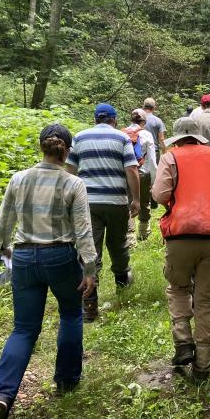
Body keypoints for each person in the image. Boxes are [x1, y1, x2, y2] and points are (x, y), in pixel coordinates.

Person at [0, 123, 97, 419]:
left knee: (23, 329)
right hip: (60, 256)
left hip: (23, 257)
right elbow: (83, 231)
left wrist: (2, 247)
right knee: (70, 314)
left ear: (41, 147)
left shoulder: (19, 179)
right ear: (67, 150)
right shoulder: (73, 183)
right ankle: (67, 380)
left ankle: (0, 396)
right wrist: (90, 269)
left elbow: (3, 219)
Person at [152, 117, 210, 383]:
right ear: (199, 136)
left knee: (179, 288)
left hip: (181, 236)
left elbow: (159, 196)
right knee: (206, 300)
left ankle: (183, 342)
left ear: (177, 138)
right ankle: (203, 366)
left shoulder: (170, 158)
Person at [66, 103, 140, 322]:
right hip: (116, 201)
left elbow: (70, 170)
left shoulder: (79, 137)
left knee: (89, 248)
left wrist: (71, 199)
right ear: (114, 120)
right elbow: (131, 169)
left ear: (95, 119)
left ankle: (89, 305)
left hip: (87, 202)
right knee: (118, 244)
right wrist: (136, 199)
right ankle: (122, 285)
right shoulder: (122, 138)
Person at [124, 108, 157, 242]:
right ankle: (144, 232)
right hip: (143, 173)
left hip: (127, 173)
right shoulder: (147, 135)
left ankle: (129, 237)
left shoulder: (123, 133)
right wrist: (154, 180)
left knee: (128, 202)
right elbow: (152, 159)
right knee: (144, 202)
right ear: (144, 121)